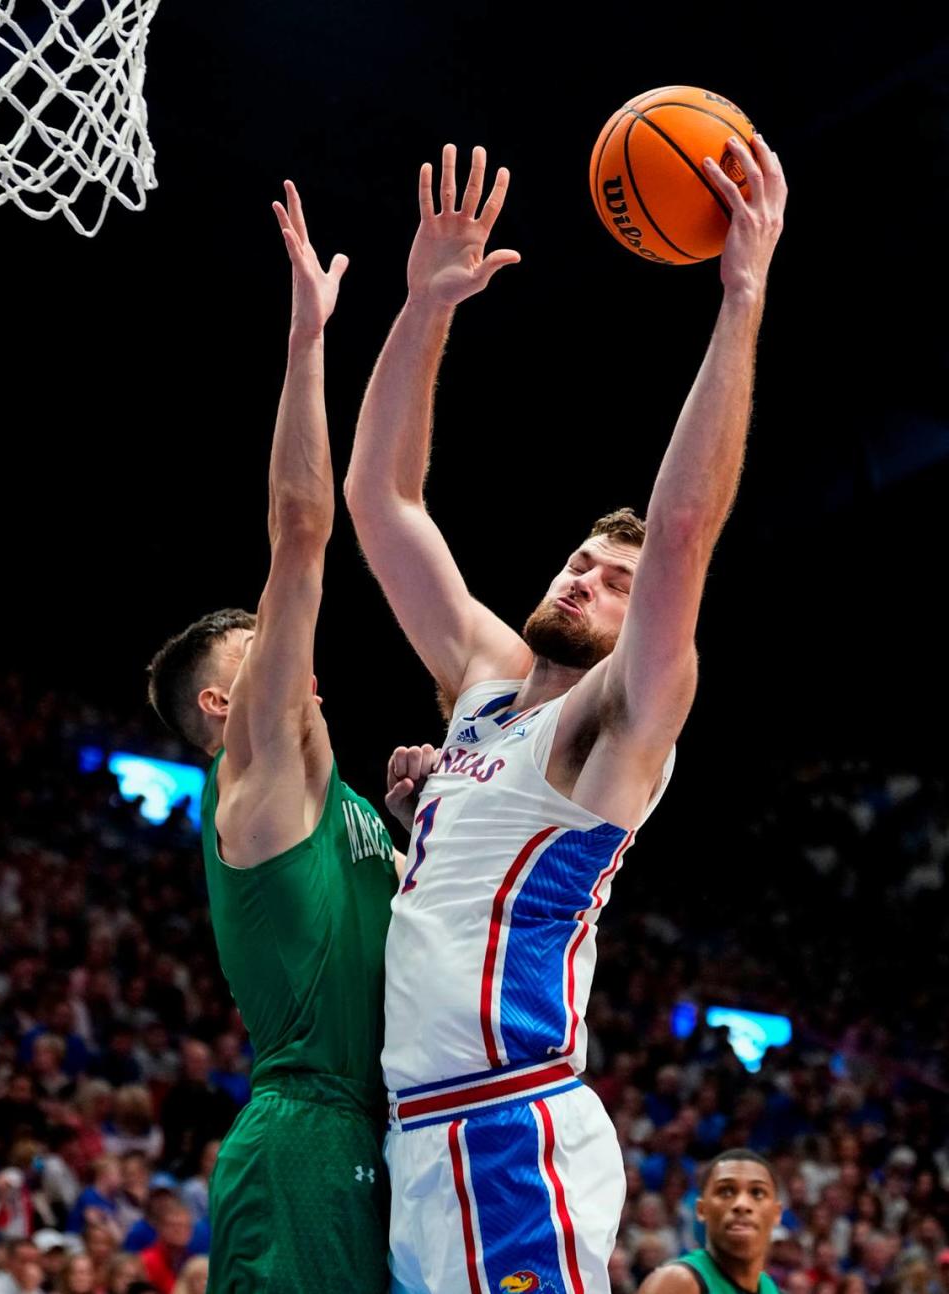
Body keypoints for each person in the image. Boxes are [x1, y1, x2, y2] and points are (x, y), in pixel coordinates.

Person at [347, 137, 787, 1292]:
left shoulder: (619, 719)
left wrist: (740, 298)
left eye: (610, 579)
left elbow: (684, 536)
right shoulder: (488, 685)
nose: (579, 579)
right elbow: (381, 502)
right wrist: (425, 305)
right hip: (421, 1136)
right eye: (578, 561)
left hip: (505, 1129)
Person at [145, 182, 400, 1293]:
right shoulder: (254, 768)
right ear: (221, 706)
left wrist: (419, 818)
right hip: (303, 1141)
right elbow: (302, 533)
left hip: (361, 1137)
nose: (289, 652)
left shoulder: (327, 798)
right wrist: (308, 339)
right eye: (262, 648)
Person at [638, 1151, 783, 1294]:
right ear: (701, 1209)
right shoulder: (678, 1282)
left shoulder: (770, 1287)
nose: (742, 1204)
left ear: (777, 1213)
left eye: (757, 1192)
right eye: (726, 1191)